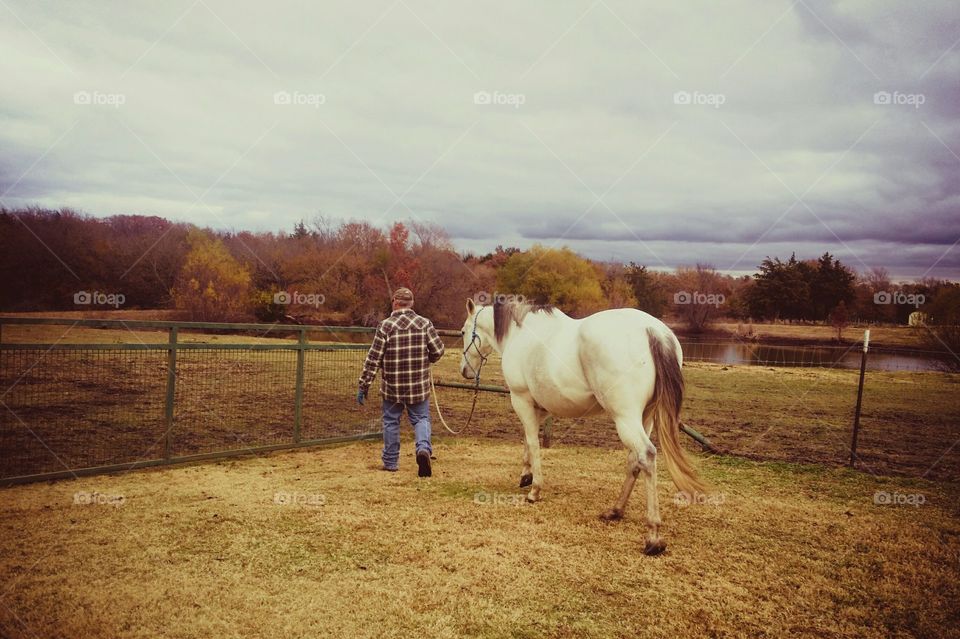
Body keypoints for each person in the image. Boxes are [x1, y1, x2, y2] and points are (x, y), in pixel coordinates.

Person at [357, 288, 445, 477]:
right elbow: (438, 350)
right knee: (421, 419)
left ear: (394, 302)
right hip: (418, 386)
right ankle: (423, 449)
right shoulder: (424, 323)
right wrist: (426, 359)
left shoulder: (385, 326)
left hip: (392, 387)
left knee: (391, 422)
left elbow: (374, 358)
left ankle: (390, 463)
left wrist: (364, 384)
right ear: (411, 303)